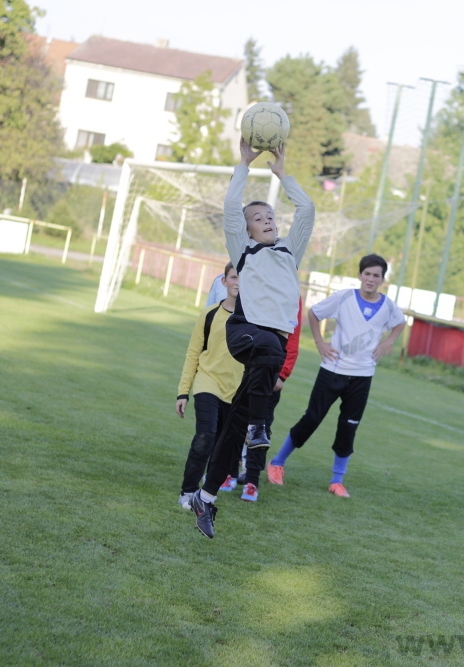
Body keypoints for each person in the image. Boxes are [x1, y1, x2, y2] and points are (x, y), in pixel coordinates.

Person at [188, 139, 315, 538]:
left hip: (269, 349)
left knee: (234, 431)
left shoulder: (290, 251)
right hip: (243, 332)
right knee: (269, 348)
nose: (268, 219)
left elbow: (307, 210)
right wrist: (244, 164)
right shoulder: (243, 250)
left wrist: (282, 173)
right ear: (245, 230)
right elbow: (231, 207)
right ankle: (261, 426)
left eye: (270, 215)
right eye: (258, 217)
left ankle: (204, 500)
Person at [266, 254, 405, 498]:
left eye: (376, 275)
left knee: (348, 427)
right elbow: (314, 313)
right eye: (367, 274)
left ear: (382, 280)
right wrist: (320, 342)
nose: (371, 279)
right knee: (311, 419)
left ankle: (337, 480)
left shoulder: (388, 306)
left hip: (362, 375)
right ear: (360, 275)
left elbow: (400, 323)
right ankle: (277, 463)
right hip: (333, 370)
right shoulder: (344, 298)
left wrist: (388, 343)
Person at [220, 298, 303, 503]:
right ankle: (228, 473)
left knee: (260, 426)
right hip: (244, 368)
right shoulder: (253, 282)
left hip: (269, 371)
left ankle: (252, 482)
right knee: (235, 419)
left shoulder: (290, 292)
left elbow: (292, 337)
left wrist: (281, 374)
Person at [175, 263, 242, 509]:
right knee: (206, 435)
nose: (238, 282)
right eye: (234, 277)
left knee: (223, 446)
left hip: (235, 391)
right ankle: (188, 491)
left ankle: (205, 494)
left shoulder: (254, 321)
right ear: (223, 282)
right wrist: (183, 391)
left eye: (243, 278)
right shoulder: (210, 314)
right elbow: (193, 353)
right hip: (207, 382)